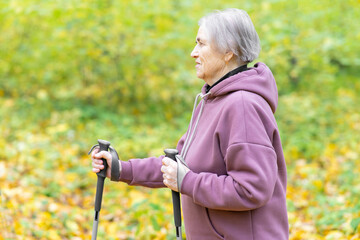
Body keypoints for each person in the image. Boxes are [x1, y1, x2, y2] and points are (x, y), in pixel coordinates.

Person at [91, 8, 289, 240]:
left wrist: (187, 181)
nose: (193, 53)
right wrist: (121, 169)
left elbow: (251, 189)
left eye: (201, 44)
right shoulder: (212, 99)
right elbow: (179, 165)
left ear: (228, 51)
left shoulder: (242, 105)